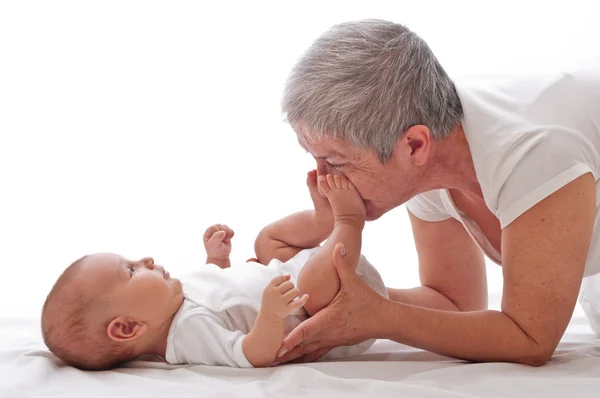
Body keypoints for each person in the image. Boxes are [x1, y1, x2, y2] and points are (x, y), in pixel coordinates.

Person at [275, 19, 600, 367]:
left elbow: (531, 339)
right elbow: (454, 302)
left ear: (414, 145)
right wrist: (337, 298)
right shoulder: (426, 153)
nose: (321, 181)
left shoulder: (533, 155)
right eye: (315, 159)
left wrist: (378, 317)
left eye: (336, 162)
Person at [41, 171, 387, 370]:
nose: (145, 259)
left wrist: (217, 261)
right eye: (130, 271)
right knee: (309, 280)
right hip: (331, 306)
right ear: (128, 327)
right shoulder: (187, 334)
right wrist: (270, 315)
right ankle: (348, 222)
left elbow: (220, 292)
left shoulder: (175, 297)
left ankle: (321, 221)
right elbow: (250, 354)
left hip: (300, 272)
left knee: (266, 242)